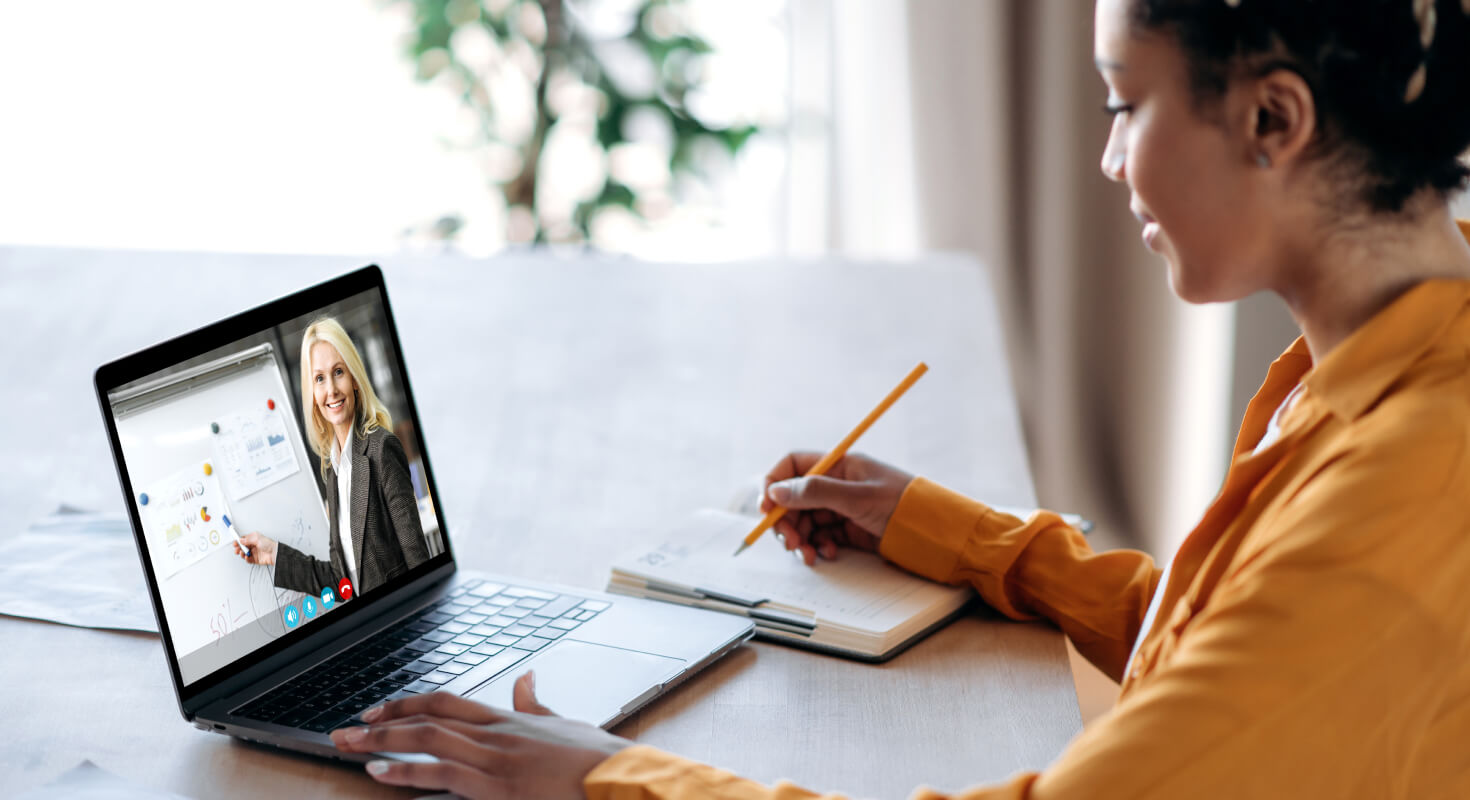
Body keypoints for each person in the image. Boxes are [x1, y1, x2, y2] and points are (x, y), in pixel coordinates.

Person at [330, 0, 1470, 796]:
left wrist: (603, 776)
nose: (1111, 159)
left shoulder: (1411, 481)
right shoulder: (1397, 353)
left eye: (1125, 104)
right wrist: (950, 529)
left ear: (1274, 120)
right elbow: (1227, 654)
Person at [233, 317, 430, 599]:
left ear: (354, 379)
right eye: (319, 378)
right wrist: (273, 553)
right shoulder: (334, 471)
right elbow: (342, 580)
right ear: (312, 393)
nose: (331, 391)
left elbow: (418, 561)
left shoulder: (381, 449)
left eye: (338, 372)